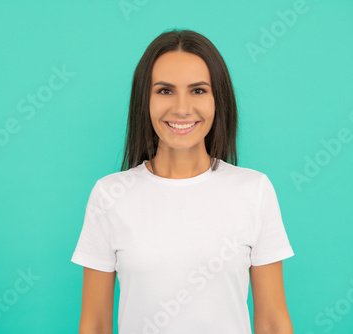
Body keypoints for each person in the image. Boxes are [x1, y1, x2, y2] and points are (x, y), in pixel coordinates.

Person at [71, 28, 295, 334]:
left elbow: (272, 323)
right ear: (144, 100)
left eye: (198, 90)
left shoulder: (254, 191)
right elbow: (94, 325)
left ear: (219, 100)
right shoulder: (109, 195)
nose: (181, 108)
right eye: (165, 90)